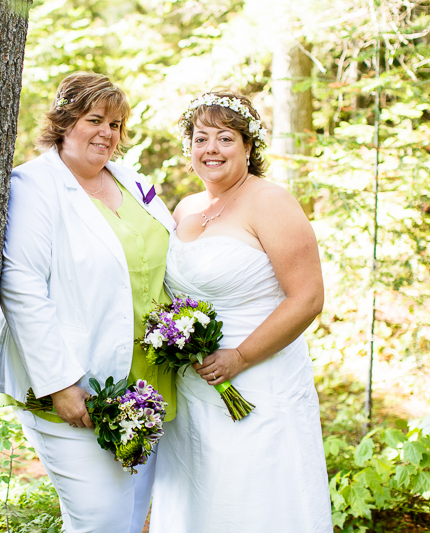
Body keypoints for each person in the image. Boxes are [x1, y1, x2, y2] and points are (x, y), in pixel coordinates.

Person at [0, 72, 176, 532]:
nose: (107, 133)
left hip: (145, 386)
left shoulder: (131, 180)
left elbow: (171, 256)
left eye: (115, 124)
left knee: (132, 515)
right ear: (64, 121)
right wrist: (60, 382)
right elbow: (22, 285)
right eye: (95, 119)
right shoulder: (34, 186)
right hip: (77, 385)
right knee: (101, 521)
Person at [150, 92, 333, 532]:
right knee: (201, 497)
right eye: (201, 138)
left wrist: (241, 356)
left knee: (254, 498)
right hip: (194, 388)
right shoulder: (187, 208)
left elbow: (307, 298)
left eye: (225, 138)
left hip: (258, 383)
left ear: (249, 147)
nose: (211, 149)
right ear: (189, 148)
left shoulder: (271, 202)